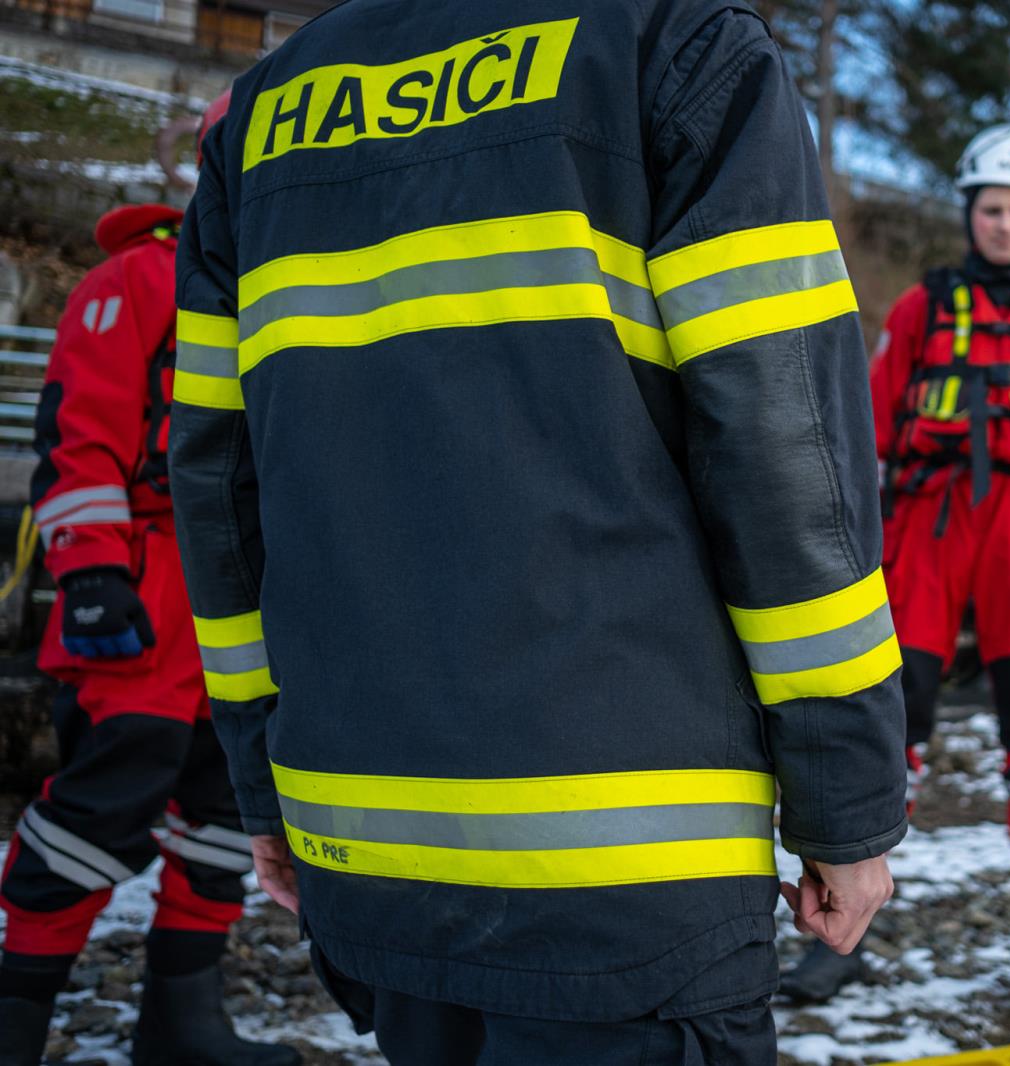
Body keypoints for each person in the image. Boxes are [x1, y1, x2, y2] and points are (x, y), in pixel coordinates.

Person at [168, 2, 908, 1061]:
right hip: (627, 873)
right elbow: (785, 450)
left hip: (371, 846)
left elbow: (216, 483)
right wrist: (846, 801)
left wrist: (262, 779)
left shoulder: (264, 114)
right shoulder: (673, 47)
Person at [778, 124, 1010, 1025]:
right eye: (990, 208)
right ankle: (841, 942)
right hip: (927, 529)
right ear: (969, 213)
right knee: (883, 735)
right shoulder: (921, 311)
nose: (1005, 224)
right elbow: (863, 440)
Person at [0, 94, 300, 1066]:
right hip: (139, 593)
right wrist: (88, 576)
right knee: (107, 792)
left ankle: (181, 1021)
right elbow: (76, 441)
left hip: (244, 606)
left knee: (228, 802)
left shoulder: (285, 300)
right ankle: (16, 1012)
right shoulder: (132, 280)